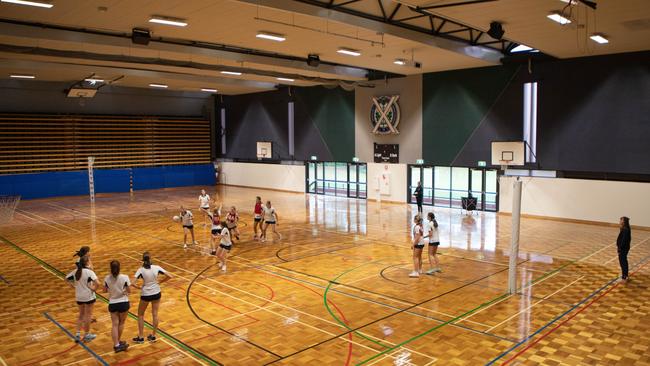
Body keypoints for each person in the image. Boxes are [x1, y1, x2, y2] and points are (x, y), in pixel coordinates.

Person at [132, 252, 171, 344]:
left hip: (146, 294)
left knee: (141, 314)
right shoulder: (156, 267)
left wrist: (139, 287)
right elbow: (170, 276)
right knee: (155, 314)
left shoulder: (140, 270)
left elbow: (132, 283)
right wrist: (160, 282)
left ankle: (141, 337)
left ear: (143, 260)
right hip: (156, 292)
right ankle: (153, 336)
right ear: (150, 259)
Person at [65, 255, 99, 343]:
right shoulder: (89, 272)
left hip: (79, 296)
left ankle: (77, 334)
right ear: (87, 262)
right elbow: (98, 283)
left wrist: (73, 286)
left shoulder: (75, 271)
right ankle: (87, 334)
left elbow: (66, 278)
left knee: (81, 315)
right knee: (88, 316)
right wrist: (93, 289)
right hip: (88, 296)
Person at [104, 260, 130, 353]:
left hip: (112, 303)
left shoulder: (107, 278)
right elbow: (129, 290)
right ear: (119, 268)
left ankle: (116, 344)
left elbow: (104, 290)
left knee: (115, 324)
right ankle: (118, 343)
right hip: (123, 302)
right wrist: (123, 291)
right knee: (121, 323)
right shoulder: (125, 277)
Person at [617, 216, 631, 282]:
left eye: (621, 220)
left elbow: (624, 240)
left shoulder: (625, 229)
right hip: (624, 248)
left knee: (623, 262)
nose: (620, 221)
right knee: (623, 261)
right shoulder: (624, 228)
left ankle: (624, 276)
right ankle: (625, 275)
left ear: (624, 222)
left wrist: (620, 248)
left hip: (623, 248)